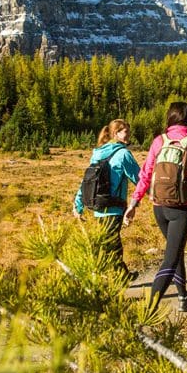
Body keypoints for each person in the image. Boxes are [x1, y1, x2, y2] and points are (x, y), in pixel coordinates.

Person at [124, 102, 187, 312]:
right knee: (170, 259)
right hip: (182, 207)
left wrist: (134, 202)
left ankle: (183, 297)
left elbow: (146, 174)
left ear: (170, 117)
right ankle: (148, 310)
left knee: (175, 251)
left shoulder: (159, 141)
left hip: (159, 207)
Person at [74, 119, 141, 278]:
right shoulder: (124, 154)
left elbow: (87, 181)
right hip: (113, 208)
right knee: (111, 246)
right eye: (125, 131)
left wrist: (78, 204)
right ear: (115, 133)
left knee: (108, 244)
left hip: (98, 208)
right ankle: (119, 280)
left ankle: (114, 277)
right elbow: (140, 179)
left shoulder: (97, 153)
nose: (128, 134)